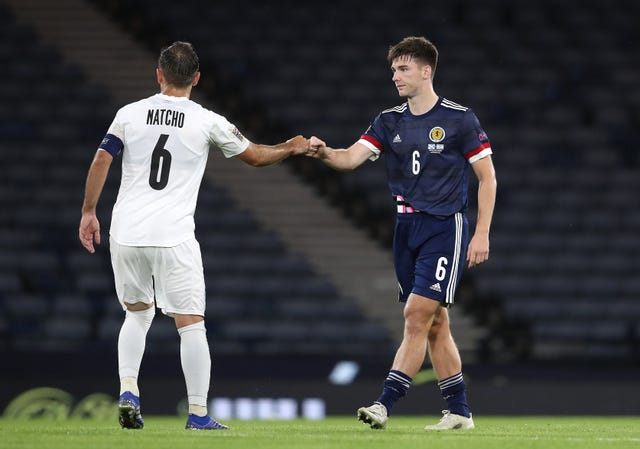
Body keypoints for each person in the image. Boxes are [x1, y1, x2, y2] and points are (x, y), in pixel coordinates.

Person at [79, 41, 308, 430]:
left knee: (137, 314)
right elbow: (253, 155)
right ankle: (198, 413)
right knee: (190, 324)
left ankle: (129, 391)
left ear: (159, 75)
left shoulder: (129, 114)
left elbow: (102, 159)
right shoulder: (207, 120)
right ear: (197, 79)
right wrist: (291, 146)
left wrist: (88, 212)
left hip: (126, 232)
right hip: (173, 235)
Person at [306, 36, 497, 430]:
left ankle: (384, 403)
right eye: (394, 69)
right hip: (405, 227)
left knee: (416, 315)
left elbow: (488, 177)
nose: (395, 75)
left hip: (445, 225)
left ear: (426, 71)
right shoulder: (388, 120)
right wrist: (324, 152)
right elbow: (350, 159)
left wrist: (481, 234)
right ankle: (459, 411)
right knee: (435, 322)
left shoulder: (460, 119)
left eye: (403, 68)